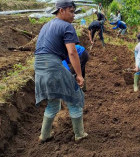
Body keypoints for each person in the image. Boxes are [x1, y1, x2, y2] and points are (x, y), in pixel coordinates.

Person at [34, 0, 88, 143]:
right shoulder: (66, 26)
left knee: (53, 103)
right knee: (75, 98)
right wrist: (79, 75)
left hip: (39, 66)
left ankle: (44, 135)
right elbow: (72, 53)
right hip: (52, 65)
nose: (73, 15)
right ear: (61, 10)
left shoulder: (46, 25)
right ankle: (80, 134)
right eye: (71, 11)